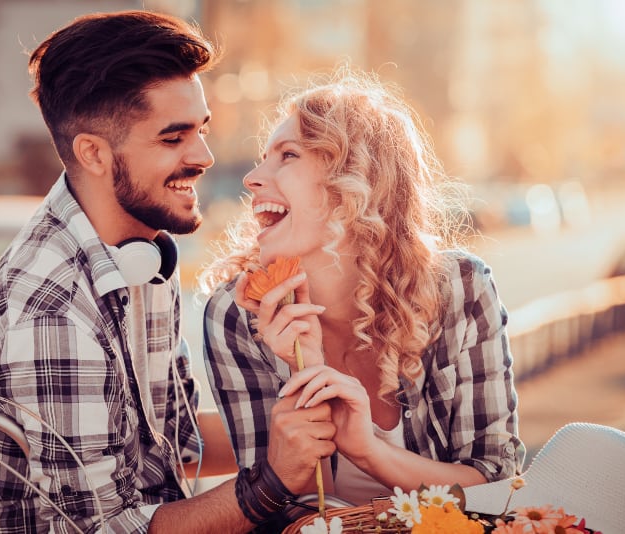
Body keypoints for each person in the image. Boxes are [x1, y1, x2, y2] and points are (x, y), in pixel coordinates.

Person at [0, 11, 336, 533]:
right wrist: (273, 482)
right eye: (173, 138)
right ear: (93, 152)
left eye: (202, 129)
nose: (205, 155)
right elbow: (109, 529)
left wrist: (316, 417)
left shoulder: (139, 252)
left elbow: (177, 450)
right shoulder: (49, 316)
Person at [199, 65, 526, 508]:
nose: (252, 177)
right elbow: (286, 512)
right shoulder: (238, 313)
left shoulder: (460, 289)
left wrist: (368, 451)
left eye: (288, 155)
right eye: (264, 156)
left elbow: (496, 485)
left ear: (356, 184)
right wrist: (305, 372)